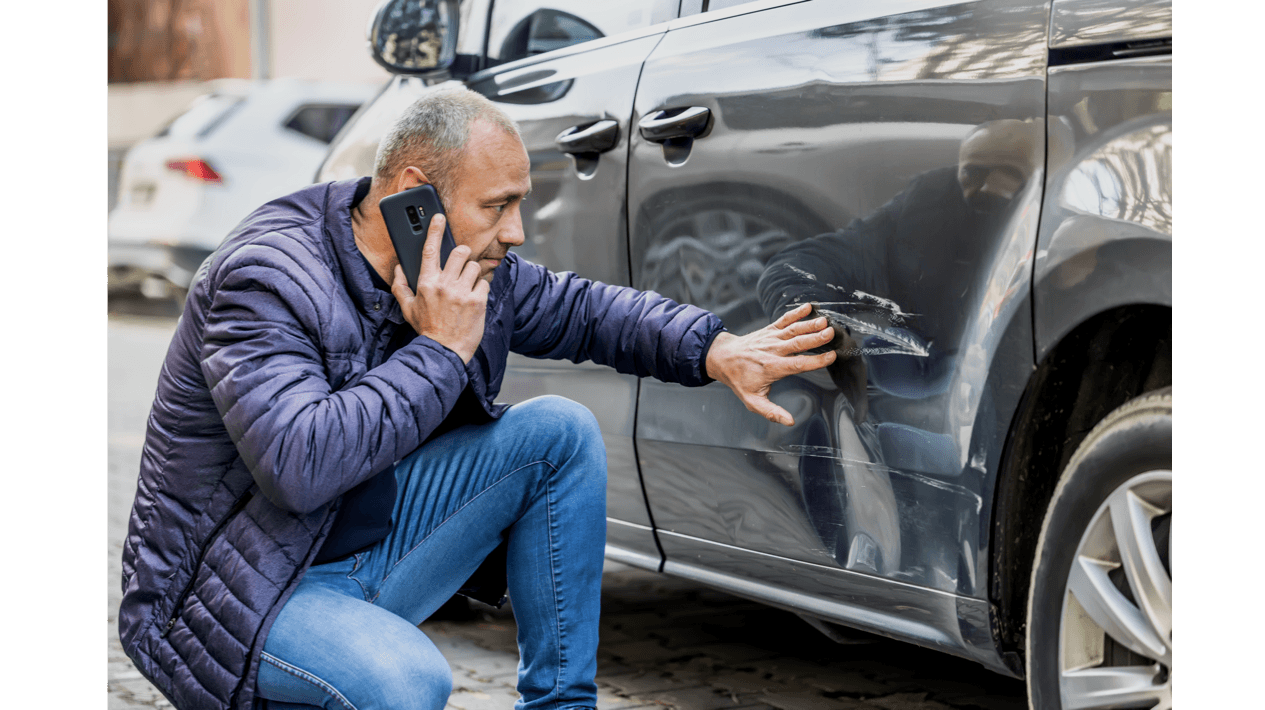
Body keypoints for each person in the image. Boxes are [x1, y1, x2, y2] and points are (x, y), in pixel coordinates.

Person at [118, 87, 837, 710]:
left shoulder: (463, 266)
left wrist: (715, 350)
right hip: (236, 595)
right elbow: (299, 466)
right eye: (498, 206)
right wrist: (440, 350)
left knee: (559, 432)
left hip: (356, 551)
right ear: (413, 194)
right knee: (405, 682)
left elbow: (584, 310)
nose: (516, 232)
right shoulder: (266, 278)